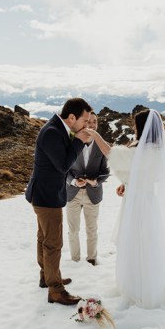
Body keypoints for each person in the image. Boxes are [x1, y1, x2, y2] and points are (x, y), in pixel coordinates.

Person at [25, 97, 105, 306]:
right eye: (85, 120)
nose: (87, 125)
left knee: (43, 238)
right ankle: (56, 291)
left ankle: (47, 277)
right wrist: (79, 141)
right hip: (46, 196)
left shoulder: (57, 128)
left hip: (45, 194)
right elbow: (63, 165)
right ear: (72, 118)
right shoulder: (52, 132)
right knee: (53, 243)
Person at [109, 108, 165, 309]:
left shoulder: (146, 151)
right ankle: (135, 283)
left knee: (138, 242)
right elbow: (137, 172)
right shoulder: (152, 150)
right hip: (140, 198)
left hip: (139, 203)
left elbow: (116, 156)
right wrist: (126, 184)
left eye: (136, 125)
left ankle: (140, 288)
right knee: (137, 241)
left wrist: (94, 136)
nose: (134, 128)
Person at [65, 113, 111, 266]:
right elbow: (63, 169)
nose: (92, 125)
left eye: (95, 122)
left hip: (93, 193)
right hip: (72, 193)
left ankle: (91, 259)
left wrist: (95, 181)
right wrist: (73, 182)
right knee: (73, 230)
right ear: (83, 124)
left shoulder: (102, 146)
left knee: (92, 230)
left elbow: (106, 170)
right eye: (88, 122)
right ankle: (75, 260)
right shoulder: (70, 143)